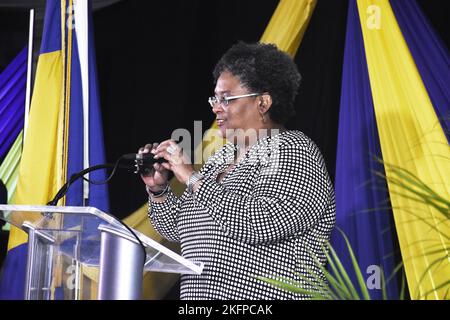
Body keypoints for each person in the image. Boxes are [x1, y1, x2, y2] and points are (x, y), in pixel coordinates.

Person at [139, 42, 336, 299]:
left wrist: (191, 176)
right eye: (214, 98)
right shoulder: (221, 158)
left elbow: (259, 223)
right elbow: (180, 229)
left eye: (226, 99)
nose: (215, 107)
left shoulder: (294, 150)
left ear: (263, 102)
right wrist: (159, 190)